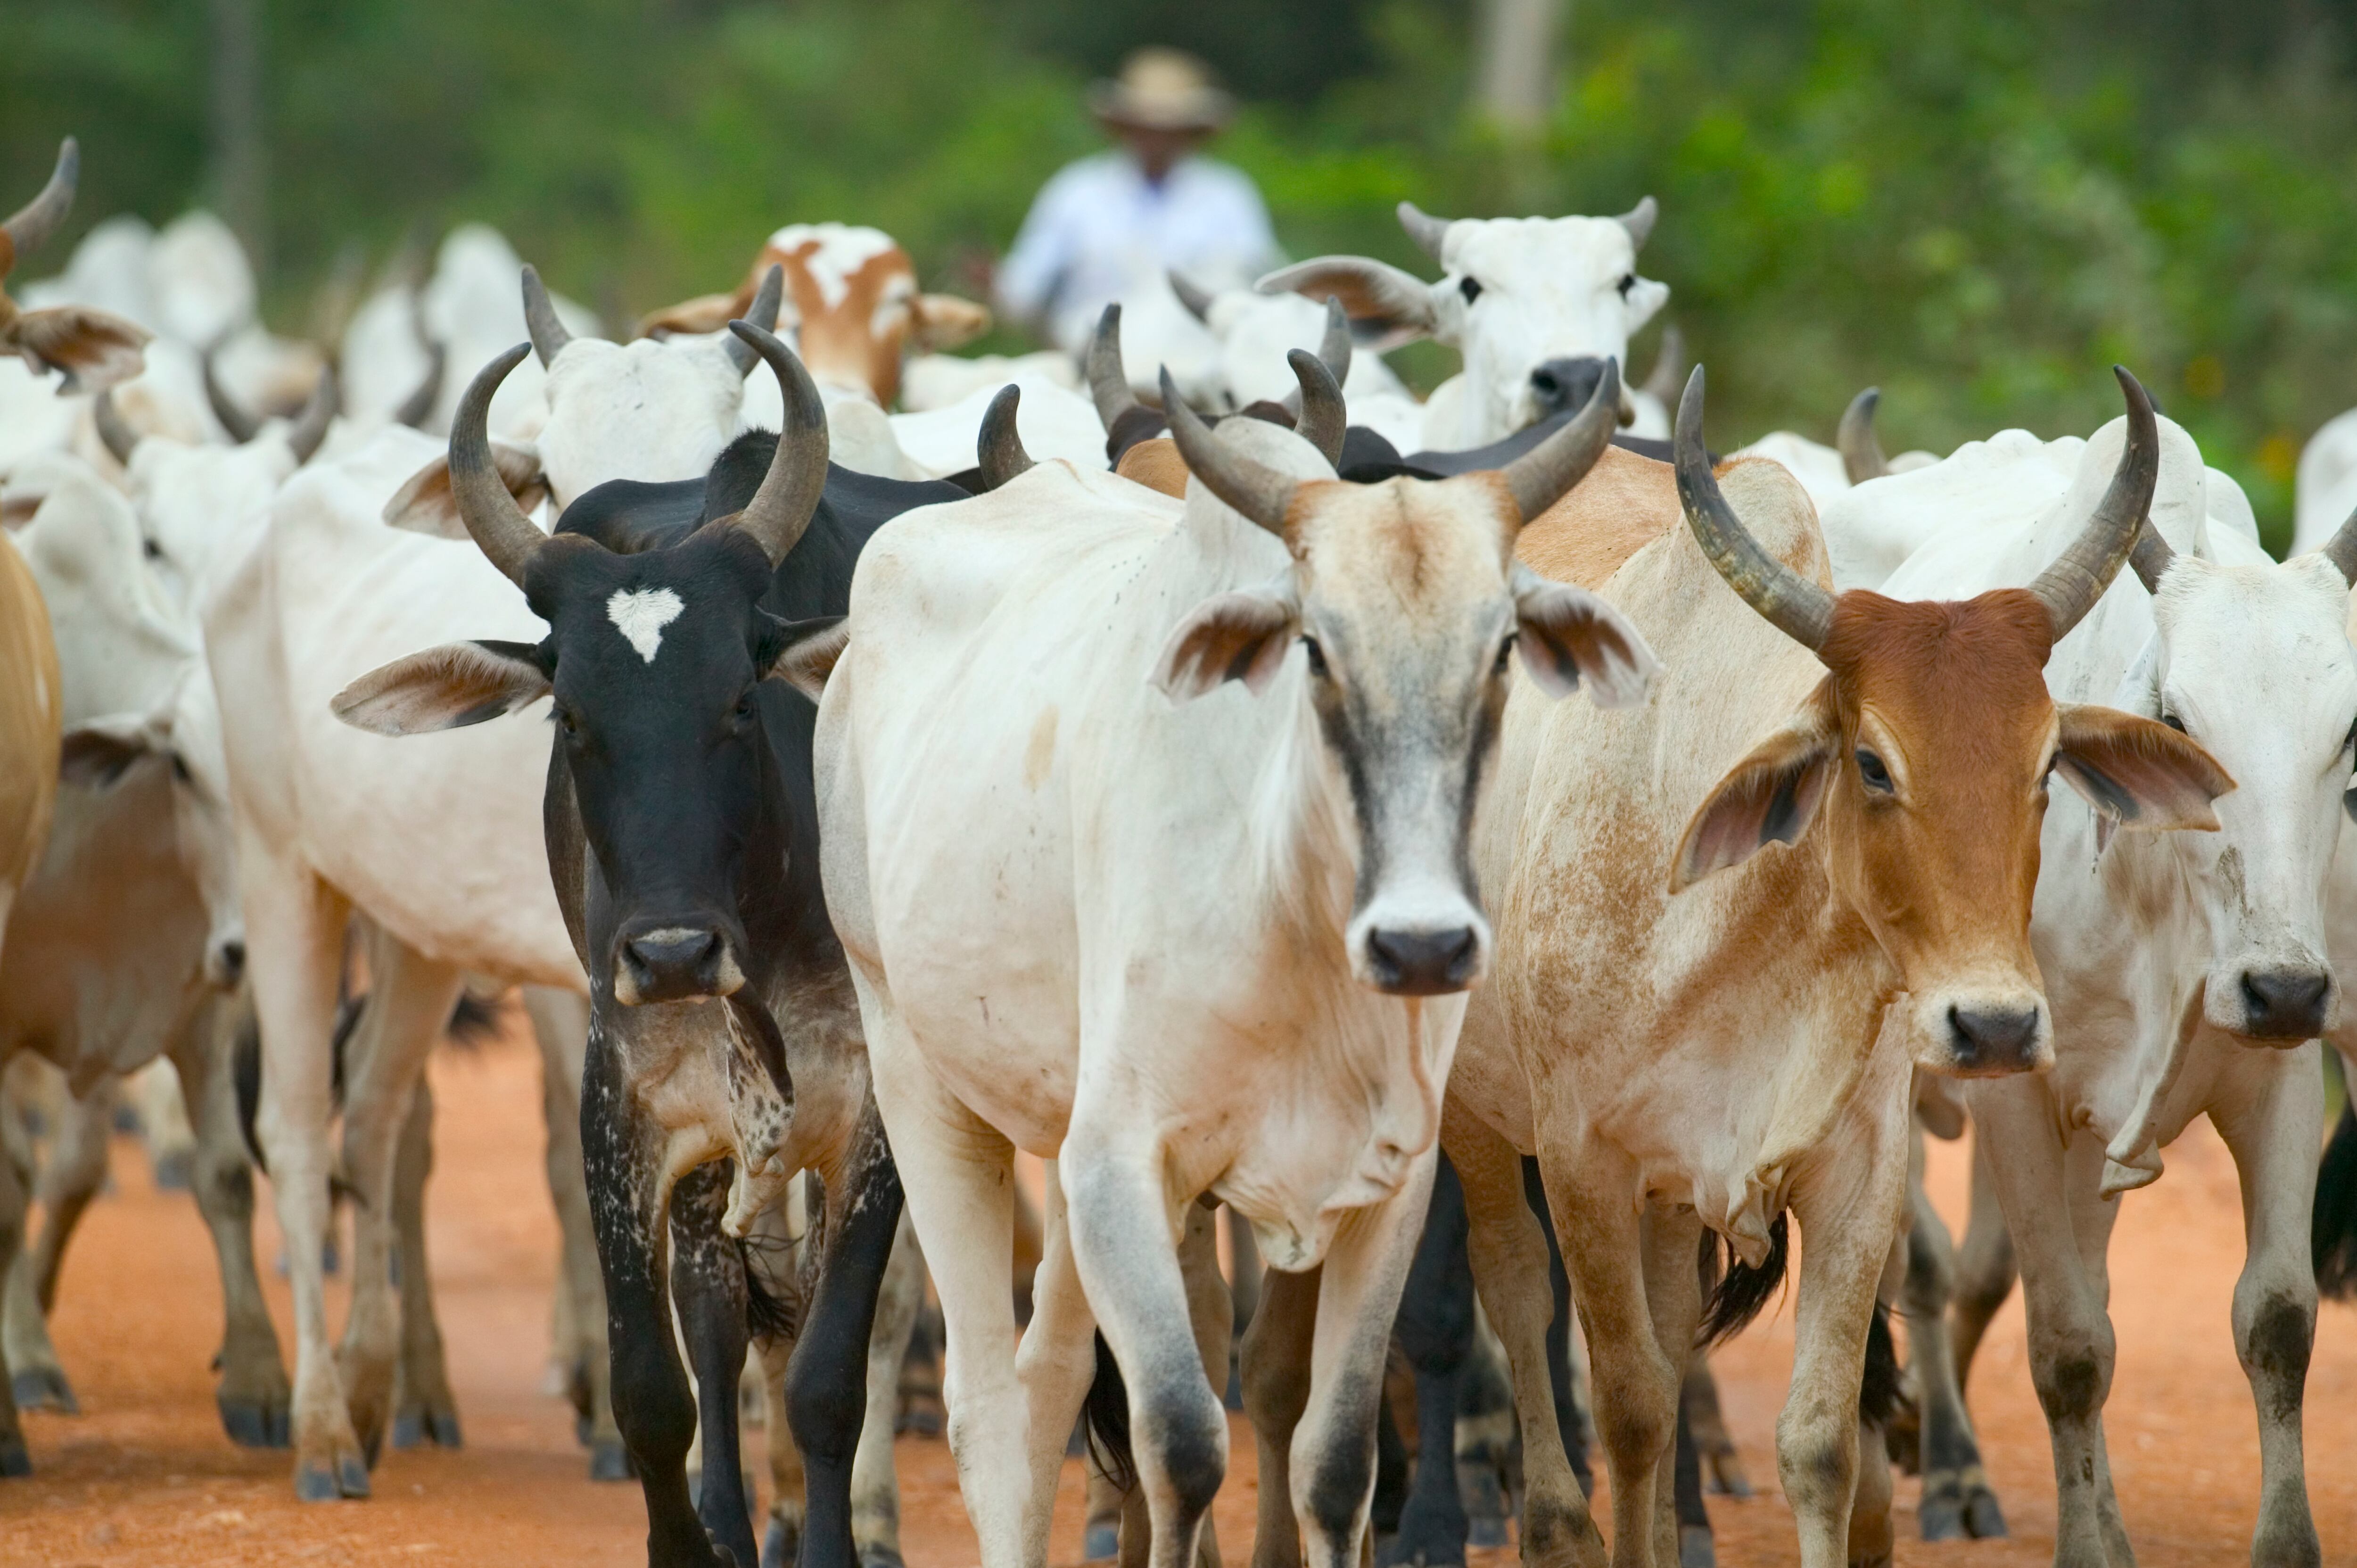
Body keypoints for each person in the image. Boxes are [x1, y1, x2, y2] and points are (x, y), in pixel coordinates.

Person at [997, 48, 1279, 355]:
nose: (1156, 138)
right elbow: (1022, 288)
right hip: (1090, 363)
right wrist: (996, 288)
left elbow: (1263, 286)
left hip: (1201, 368)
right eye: (1147, 126)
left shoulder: (1227, 196)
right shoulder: (1077, 192)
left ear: (1189, 131)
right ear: (1126, 125)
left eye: (1168, 128)